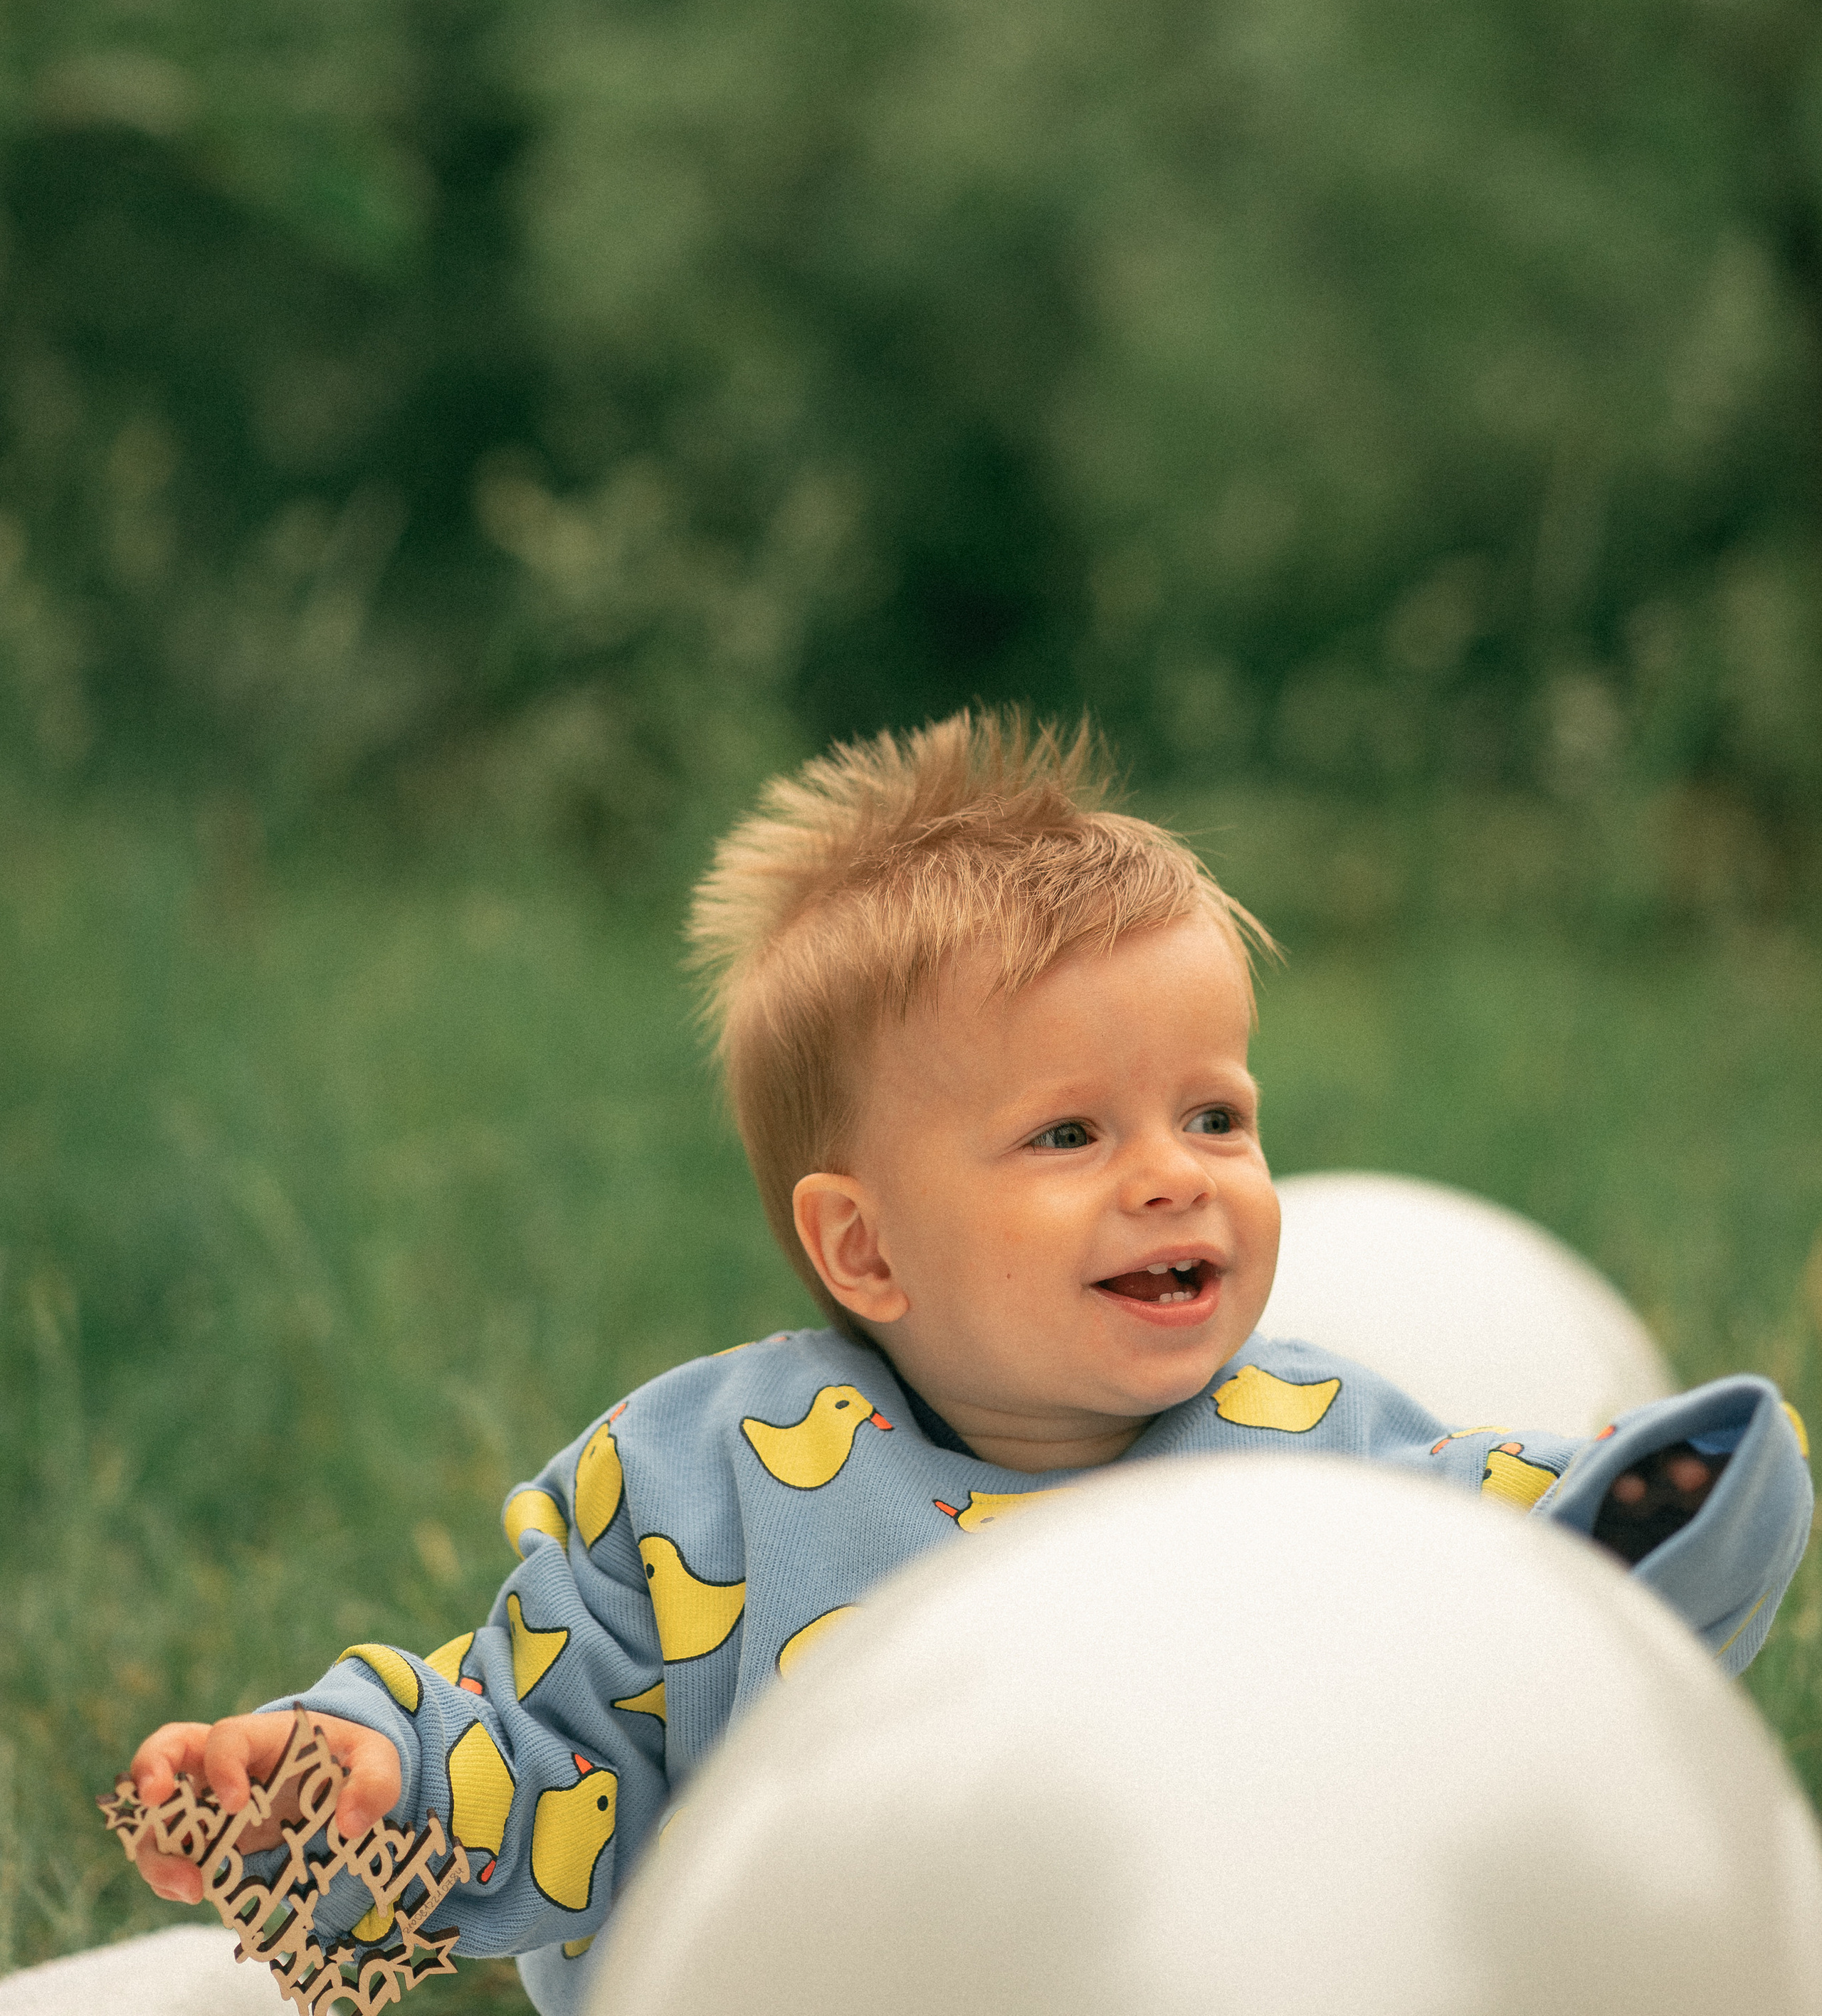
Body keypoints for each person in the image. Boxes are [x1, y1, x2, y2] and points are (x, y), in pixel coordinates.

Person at [127, 712, 1814, 2012]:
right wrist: (351, 1788)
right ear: (864, 1248)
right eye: (1069, 1132)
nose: (1175, 1173)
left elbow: (1527, 1610)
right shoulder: (702, 1494)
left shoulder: (1314, 1446)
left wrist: (1653, 1509)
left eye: (1213, 1113)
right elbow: (548, 1765)